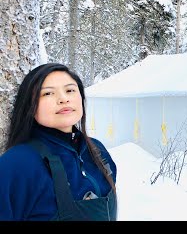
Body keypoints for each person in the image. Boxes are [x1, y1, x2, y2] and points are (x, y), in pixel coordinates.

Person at [0, 63, 117, 221]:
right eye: (48, 93)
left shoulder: (97, 150)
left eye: (70, 90)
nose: (63, 99)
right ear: (30, 106)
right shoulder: (16, 163)